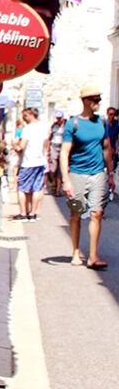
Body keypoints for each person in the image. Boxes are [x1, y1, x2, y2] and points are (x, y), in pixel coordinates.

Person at [60, 85, 114, 268]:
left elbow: (106, 148)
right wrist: (66, 179)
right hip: (77, 173)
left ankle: (93, 256)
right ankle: (75, 251)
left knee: (97, 213)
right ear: (85, 101)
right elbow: (64, 152)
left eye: (99, 100)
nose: (98, 103)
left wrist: (111, 173)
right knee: (76, 213)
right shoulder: (73, 123)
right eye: (95, 100)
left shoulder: (102, 123)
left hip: (98, 172)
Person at [12, 107, 48, 220]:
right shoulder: (43, 127)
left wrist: (14, 146)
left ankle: (23, 213)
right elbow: (46, 144)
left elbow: (22, 146)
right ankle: (33, 213)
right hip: (40, 161)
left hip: (28, 161)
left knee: (22, 187)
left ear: (31, 115)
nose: (24, 118)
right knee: (37, 187)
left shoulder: (28, 129)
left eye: (25, 116)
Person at [46, 107, 66, 195]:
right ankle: (53, 185)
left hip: (62, 147)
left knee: (60, 170)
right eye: (57, 117)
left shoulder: (66, 126)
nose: (58, 119)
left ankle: (58, 189)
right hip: (54, 147)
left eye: (59, 117)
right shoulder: (53, 126)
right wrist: (47, 150)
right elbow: (49, 138)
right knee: (53, 168)